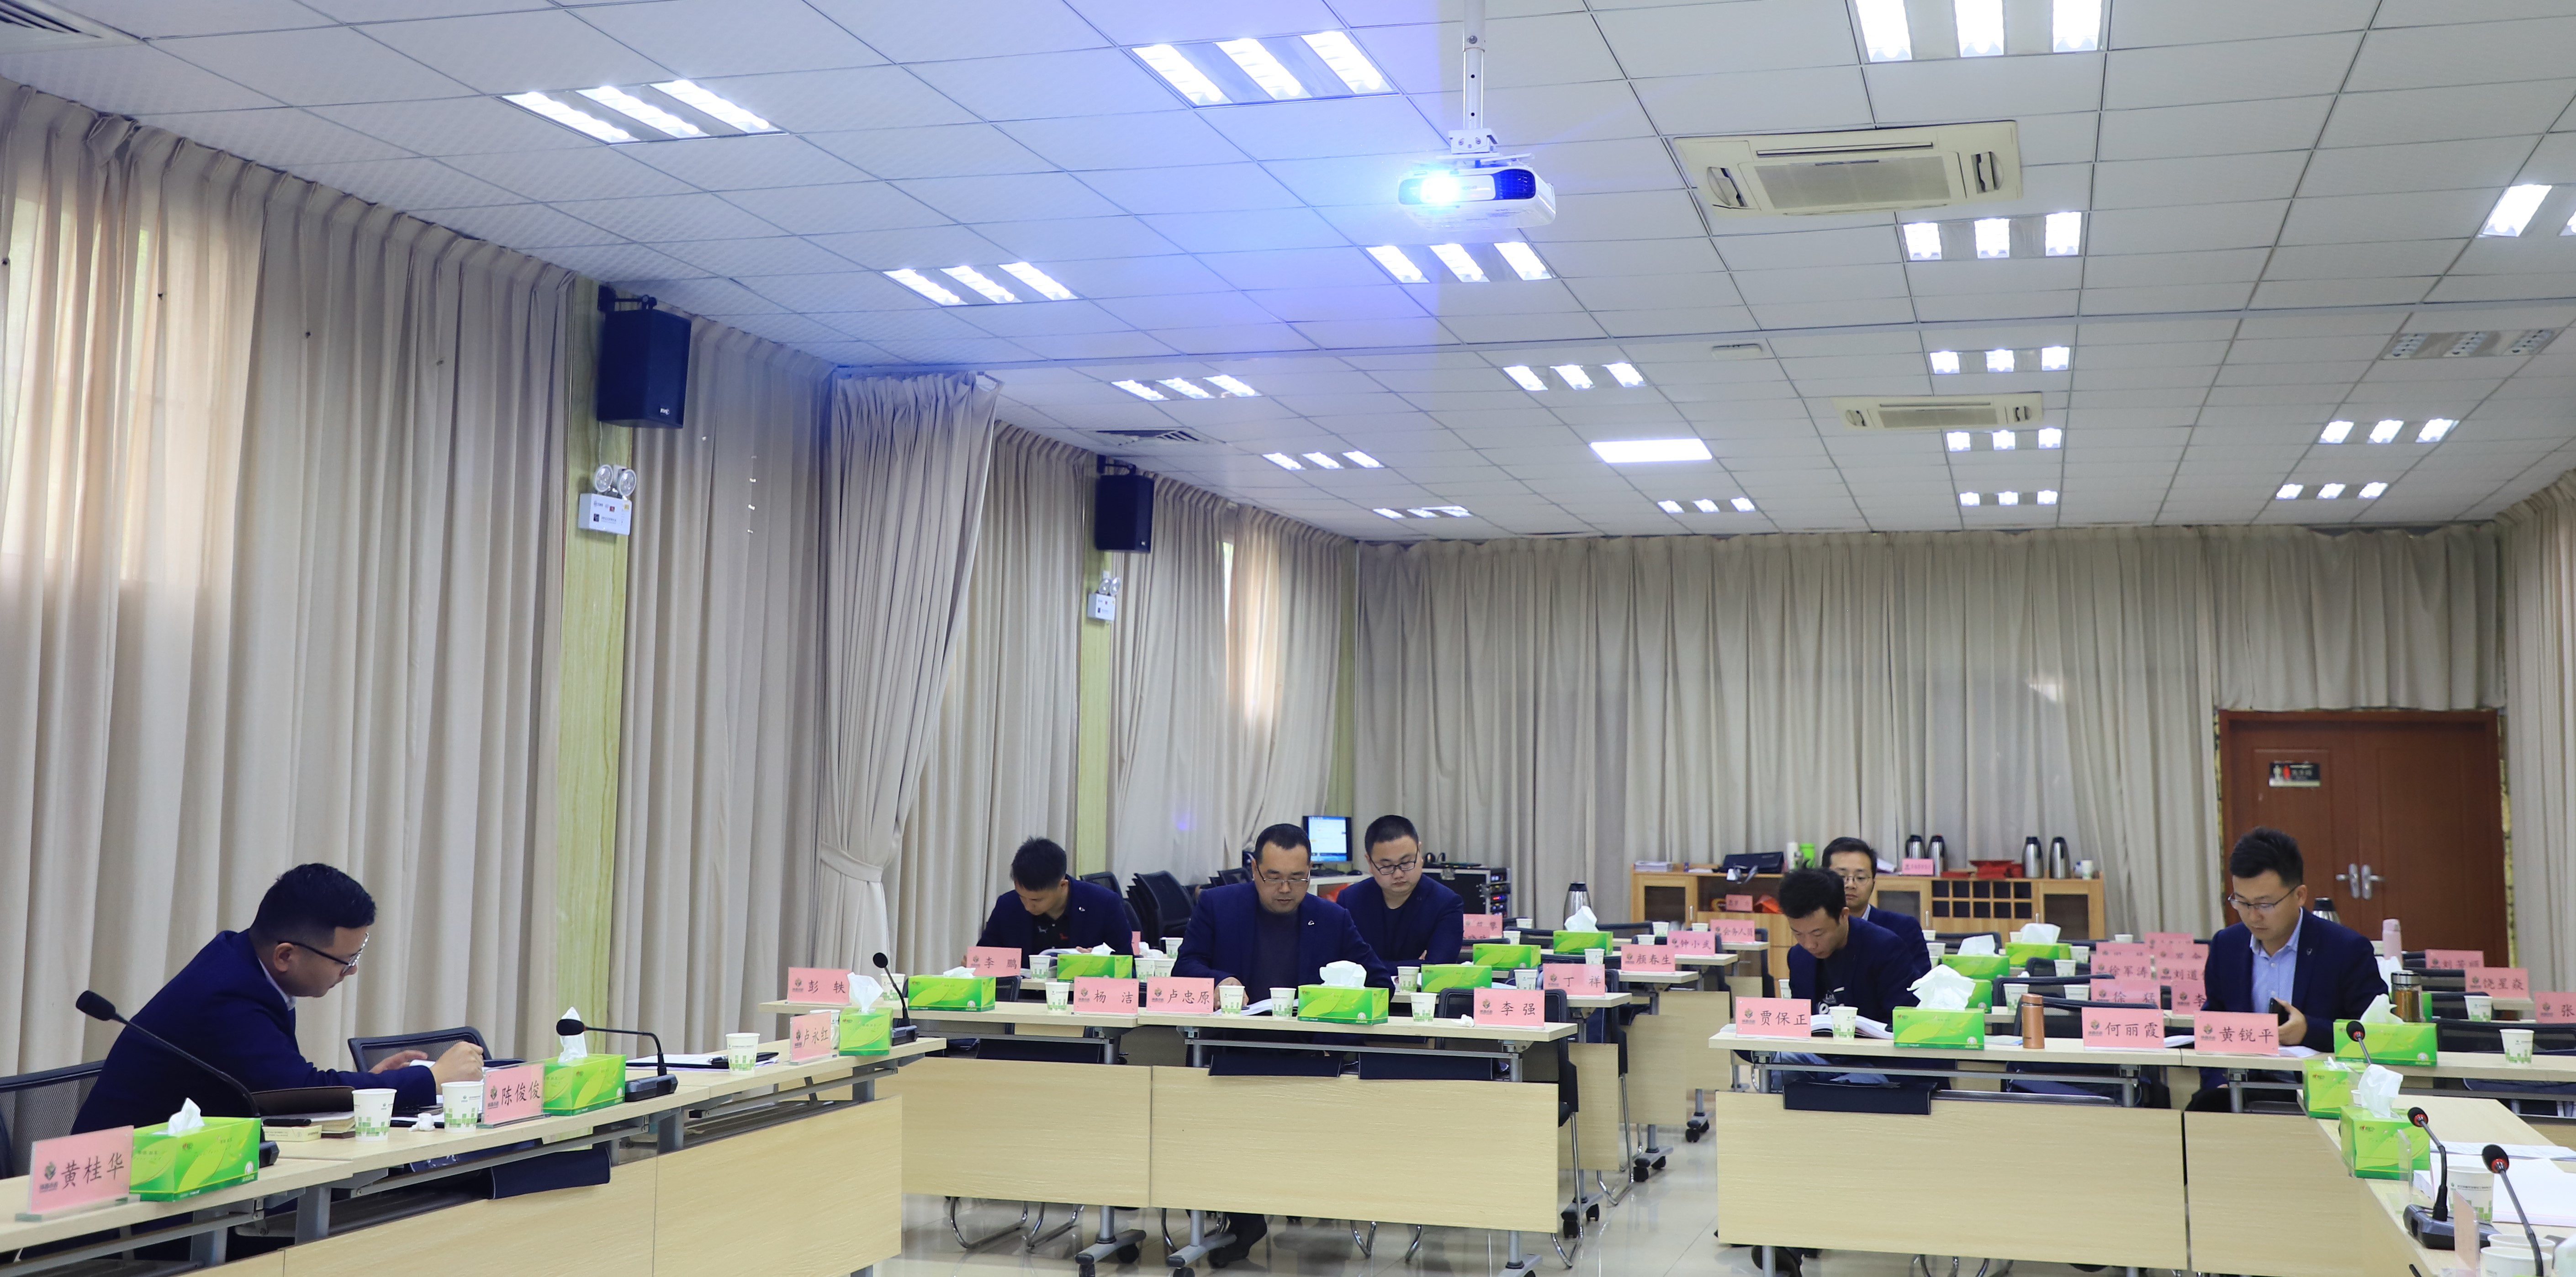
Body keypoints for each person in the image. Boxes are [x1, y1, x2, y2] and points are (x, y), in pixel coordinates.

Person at [77, 864, 483, 1133]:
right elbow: (293, 1093)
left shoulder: (243, 962)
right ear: (286, 955)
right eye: (345, 960)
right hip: (127, 1196)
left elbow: (283, 1088)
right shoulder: (226, 994)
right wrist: (431, 1079)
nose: (351, 971)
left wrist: (375, 1086)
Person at [1174, 822, 1391, 1269]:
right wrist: (1218, 980)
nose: (1286, 888)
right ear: (1254, 869)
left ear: (1310, 871)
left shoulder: (1331, 917)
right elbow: (1186, 965)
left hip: (1308, 1056)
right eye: (1274, 876)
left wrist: (1334, 998)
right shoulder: (1218, 905)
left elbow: (1378, 981)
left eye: (1298, 877)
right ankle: (1243, 1217)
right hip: (1232, 1050)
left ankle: (1281, 1202)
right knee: (1215, 1117)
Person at [2190, 826, 2389, 1110]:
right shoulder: (2227, 946)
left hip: (2322, 1094)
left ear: (2300, 895)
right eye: (2242, 902)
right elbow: (2213, 1023)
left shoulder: (2346, 949)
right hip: (2240, 1089)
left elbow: (2378, 1036)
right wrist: (2218, 1083)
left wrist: (2308, 1030)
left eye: (2265, 904)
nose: (2253, 916)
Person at [1779, 866, 1922, 1027]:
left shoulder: (1885, 949)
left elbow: (1905, 1022)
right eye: (1798, 934)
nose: (1809, 945)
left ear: (1843, 916)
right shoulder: (1798, 957)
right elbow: (1799, 1022)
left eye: (1818, 934)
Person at [1331, 814, 1464, 966]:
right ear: (1370, 862)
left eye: (1406, 863)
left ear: (1420, 853)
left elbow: (1438, 968)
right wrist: (1417, 965)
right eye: (1387, 866)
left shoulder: (1446, 903)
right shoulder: (1350, 900)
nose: (1398, 874)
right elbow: (1340, 964)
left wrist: (1365, 965)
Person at [974, 837, 1135, 958]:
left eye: (1036, 900)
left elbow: (1128, 966)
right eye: (1022, 896)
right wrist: (975, 963)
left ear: (1063, 885)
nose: (1028, 907)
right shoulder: (1007, 905)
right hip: (1024, 993)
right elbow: (986, 955)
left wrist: (1101, 963)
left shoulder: (1103, 904)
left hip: (1080, 992)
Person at [1821, 837, 1931, 978]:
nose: (1850, 885)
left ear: (1873, 883)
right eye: (1842, 876)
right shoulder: (1814, 930)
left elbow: (1922, 983)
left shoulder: (1904, 929)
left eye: (1861, 878)